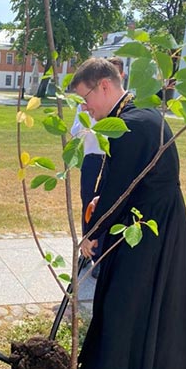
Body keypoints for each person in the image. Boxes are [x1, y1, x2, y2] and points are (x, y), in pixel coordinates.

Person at [60, 57, 186, 369]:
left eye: (86, 99)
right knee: (146, 302)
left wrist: (92, 234)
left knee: (120, 300)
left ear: (105, 85)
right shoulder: (143, 115)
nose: (85, 108)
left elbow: (118, 190)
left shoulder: (128, 125)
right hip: (158, 222)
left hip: (145, 228)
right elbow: (132, 182)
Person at [71, 56, 127, 279]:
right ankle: (87, 250)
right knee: (89, 204)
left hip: (110, 157)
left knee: (106, 207)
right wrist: (90, 118)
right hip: (92, 158)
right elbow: (76, 131)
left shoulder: (126, 110)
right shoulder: (85, 106)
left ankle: (102, 256)